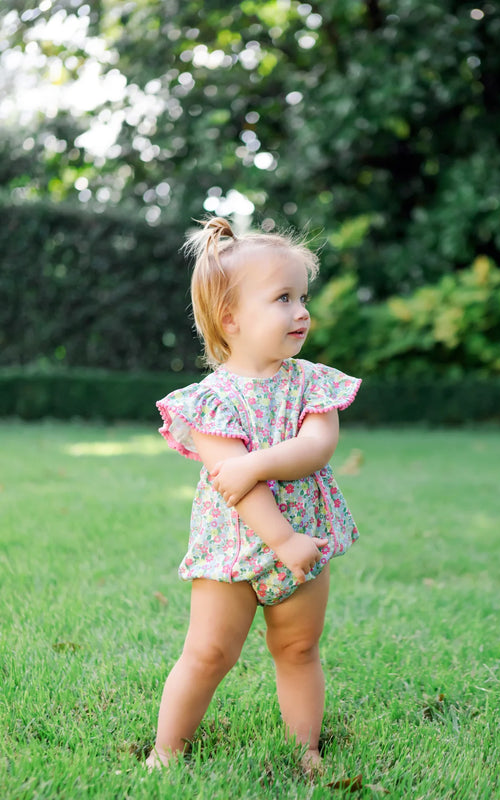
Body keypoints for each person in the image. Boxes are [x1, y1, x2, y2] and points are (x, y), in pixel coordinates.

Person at [148, 216, 361, 773]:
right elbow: (233, 485)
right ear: (231, 319)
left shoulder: (314, 382)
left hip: (304, 542)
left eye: (303, 297)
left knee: (298, 648)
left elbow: (317, 447)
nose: (302, 311)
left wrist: (259, 464)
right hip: (233, 551)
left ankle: (306, 748)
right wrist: (282, 539)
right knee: (208, 653)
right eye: (283, 298)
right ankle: (165, 751)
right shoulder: (209, 402)